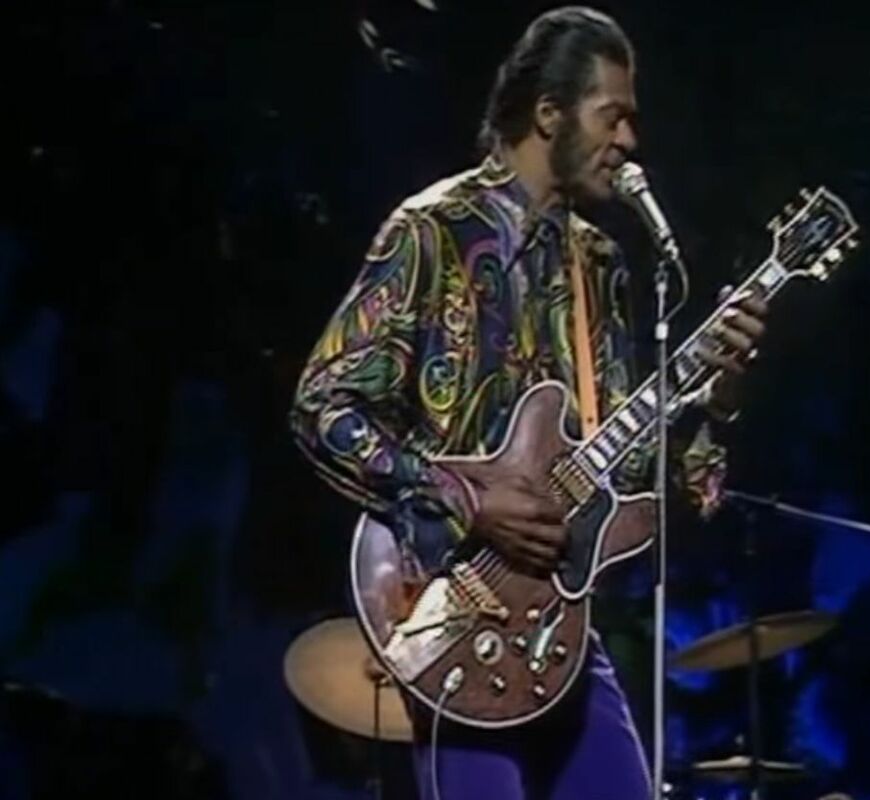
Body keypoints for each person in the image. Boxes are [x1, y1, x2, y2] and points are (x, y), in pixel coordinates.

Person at [289, 7, 768, 799]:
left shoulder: (600, 265)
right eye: (612, 116)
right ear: (549, 113)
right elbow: (322, 408)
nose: (629, 141)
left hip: (558, 634)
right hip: (450, 617)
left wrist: (717, 402)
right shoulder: (432, 233)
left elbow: (661, 492)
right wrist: (469, 500)